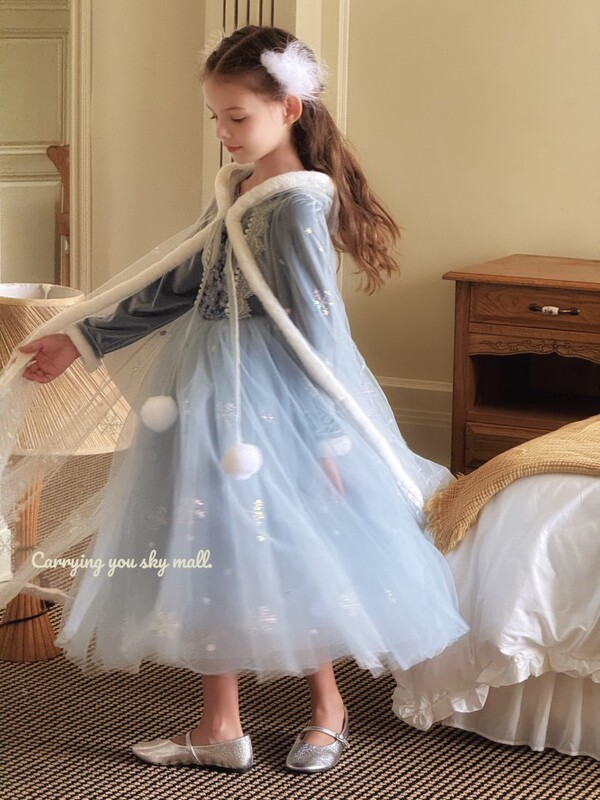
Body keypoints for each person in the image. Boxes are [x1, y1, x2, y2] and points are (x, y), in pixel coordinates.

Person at [10, 25, 467, 775]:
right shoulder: (241, 186)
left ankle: (328, 708)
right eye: (215, 117)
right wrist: (84, 339)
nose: (223, 133)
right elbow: (178, 284)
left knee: (289, 543)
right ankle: (219, 725)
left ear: (289, 109)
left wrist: (328, 439)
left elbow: (317, 334)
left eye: (237, 117)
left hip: (272, 403)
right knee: (210, 542)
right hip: (204, 391)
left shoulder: (295, 205)